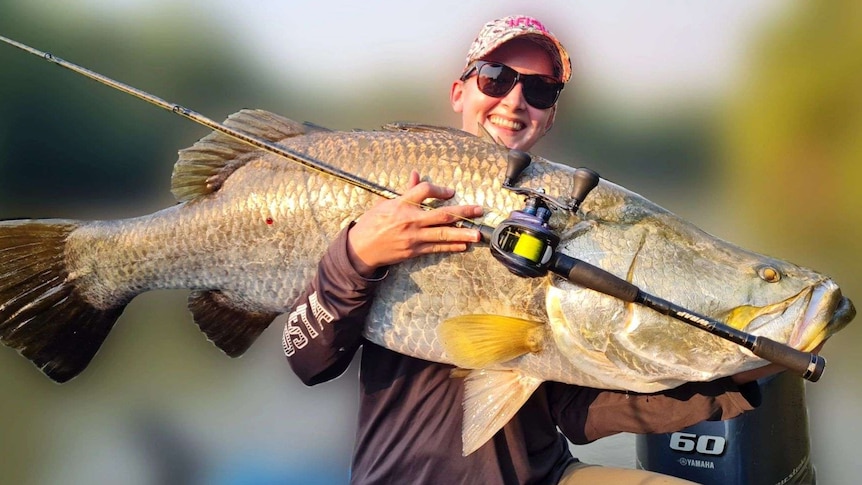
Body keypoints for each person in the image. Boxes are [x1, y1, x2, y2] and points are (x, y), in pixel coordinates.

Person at [284, 15, 785, 484]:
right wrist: (355, 256)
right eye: (496, 78)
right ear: (459, 92)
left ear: (549, 115)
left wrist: (737, 376)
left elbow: (575, 409)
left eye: (540, 89)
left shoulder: (571, 217)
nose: (515, 100)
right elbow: (308, 361)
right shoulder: (390, 199)